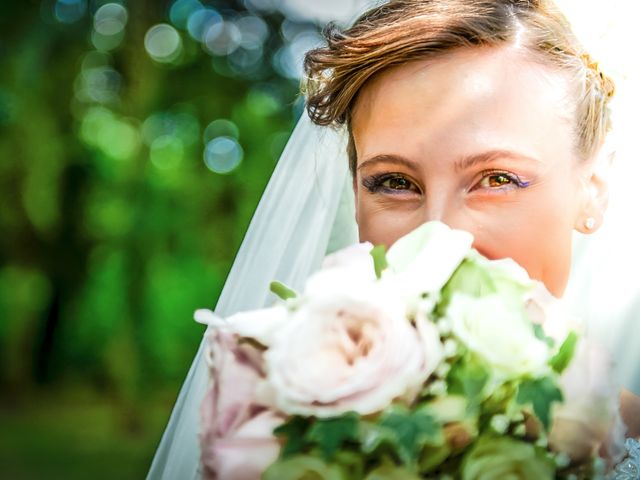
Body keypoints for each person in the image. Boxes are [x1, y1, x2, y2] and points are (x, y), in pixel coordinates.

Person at [148, 1, 639, 478]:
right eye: (395, 183)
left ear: (592, 188)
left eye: (497, 179)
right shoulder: (278, 442)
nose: (441, 238)